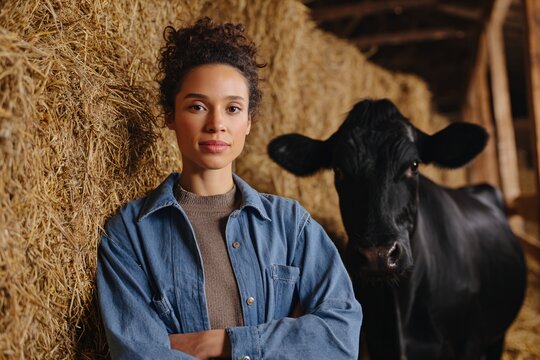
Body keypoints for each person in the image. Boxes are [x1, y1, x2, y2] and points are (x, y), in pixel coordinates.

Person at [96, 17, 362, 360]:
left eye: (233, 108)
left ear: (248, 122)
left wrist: (224, 343)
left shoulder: (291, 225)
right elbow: (139, 353)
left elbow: (341, 337)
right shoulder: (130, 234)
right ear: (169, 115)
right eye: (197, 106)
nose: (216, 124)